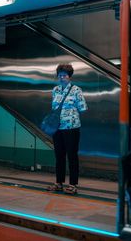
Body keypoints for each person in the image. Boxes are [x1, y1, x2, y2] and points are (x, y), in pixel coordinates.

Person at [46, 63, 88, 195]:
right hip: (57, 128)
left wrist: (70, 114)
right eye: (60, 75)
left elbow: (83, 108)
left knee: (72, 156)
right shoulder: (55, 90)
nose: (62, 77)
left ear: (69, 76)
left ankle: (73, 185)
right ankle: (59, 183)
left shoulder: (76, 90)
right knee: (59, 156)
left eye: (64, 75)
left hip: (71, 128)